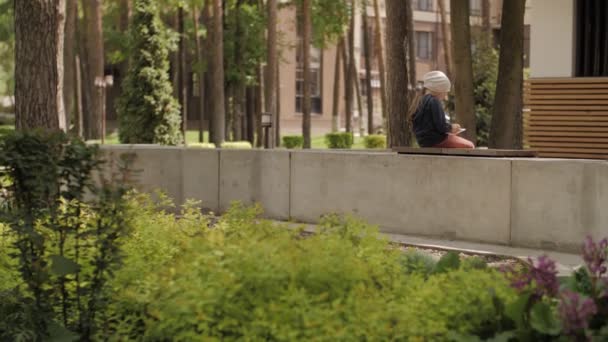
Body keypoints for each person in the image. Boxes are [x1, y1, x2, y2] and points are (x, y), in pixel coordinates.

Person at [409, 71, 475, 149]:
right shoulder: (434, 101)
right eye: (445, 92)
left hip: (423, 142)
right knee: (470, 146)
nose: (445, 96)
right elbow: (441, 126)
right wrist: (452, 128)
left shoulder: (419, 101)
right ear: (438, 89)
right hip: (436, 140)